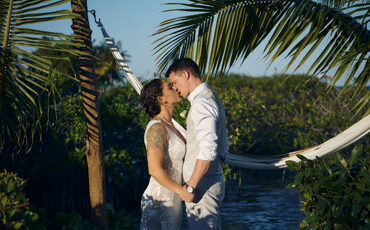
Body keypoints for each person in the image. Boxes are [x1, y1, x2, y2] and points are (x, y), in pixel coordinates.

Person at [166, 58, 229, 229]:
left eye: (174, 82)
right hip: (206, 182)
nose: (174, 88)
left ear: (185, 74)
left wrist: (191, 187)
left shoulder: (202, 102)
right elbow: (224, 143)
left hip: (202, 187)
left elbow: (208, 150)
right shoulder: (209, 97)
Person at [139, 79, 187, 230]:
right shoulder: (157, 128)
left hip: (173, 200)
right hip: (160, 201)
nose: (174, 87)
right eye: (169, 87)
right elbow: (154, 169)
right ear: (161, 99)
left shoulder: (172, 126)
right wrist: (182, 192)